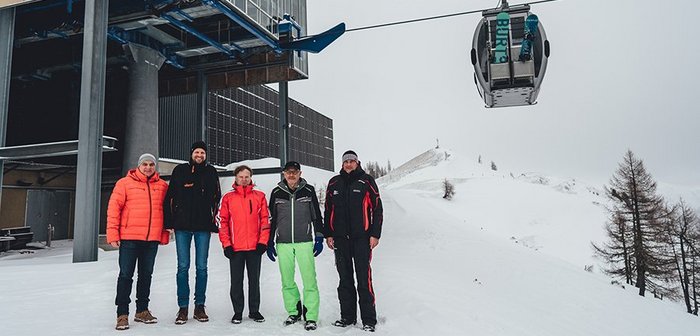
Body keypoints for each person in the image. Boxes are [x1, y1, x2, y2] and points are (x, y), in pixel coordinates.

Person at [106, 153, 170, 331]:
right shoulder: (124, 184)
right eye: (145, 164)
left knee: (146, 275)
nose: (148, 167)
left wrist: (163, 234)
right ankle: (122, 314)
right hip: (129, 238)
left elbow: (166, 212)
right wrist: (113, 234)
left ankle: (142, 310)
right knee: (126, 275)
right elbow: (113, 209)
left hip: (151, 240)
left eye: (151, 164)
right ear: (138, 166)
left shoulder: (162, 186)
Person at [324, 150, 383, 333]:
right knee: (345, 280)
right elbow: (327, 210)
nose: (348, 164)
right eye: (346, 161)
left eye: (352, 161)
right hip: (341, 240)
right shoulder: (334, 182)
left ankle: (369, 320)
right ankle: (347, 317)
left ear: (357, 163)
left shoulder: (366, 181)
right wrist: (328, 234)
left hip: (362, 239)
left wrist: (375, 234)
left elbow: (377, 209)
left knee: (364, 280)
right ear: (342, 164)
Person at [163, 141, 221, 324]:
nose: (199, 155)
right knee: (183, 267)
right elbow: (169, 197)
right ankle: (183, 307)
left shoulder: (211, 172)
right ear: (191, 154)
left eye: (202, 152)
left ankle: (200, 306)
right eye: (197, 152)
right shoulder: (180, 171)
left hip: (203, 227)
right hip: (182, 227)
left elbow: (217, 198)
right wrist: (169, 221)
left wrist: (213, 221)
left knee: (202, 267)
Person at [267, 161, 325, 331]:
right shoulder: (277, 192)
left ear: (300, 173)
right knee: (287, 280)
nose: (291, 175)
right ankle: (293, 311)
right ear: (284, 173)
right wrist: (269, 242)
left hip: (304, 242)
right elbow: (272, 220)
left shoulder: (308, 191)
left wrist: (319, 237)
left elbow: (316, 216)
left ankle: (311, 315)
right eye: (288, 172)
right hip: (283, 243)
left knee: (309, 280)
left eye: (295, 172)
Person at [218, 165, 270, 324]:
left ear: (251, 177)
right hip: (235, 247)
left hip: (255, 247)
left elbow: (265, 220)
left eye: (247, 176)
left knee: (254, 280)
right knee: (236, 281)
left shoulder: (259, 196)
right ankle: (238, 311)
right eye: (241, 176)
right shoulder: (228, 198)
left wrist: (263, 242)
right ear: (236, 178)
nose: (244, 179)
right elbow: (222, 222)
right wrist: (226, 244)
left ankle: (254, 310)